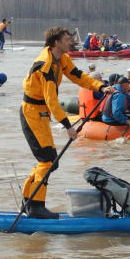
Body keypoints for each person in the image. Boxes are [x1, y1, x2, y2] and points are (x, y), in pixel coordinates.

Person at [20, 27, 111, 219]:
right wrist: (68, 127)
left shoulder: (62, 59)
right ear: (56, 43)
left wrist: (100, 87)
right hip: (32, 112)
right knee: (48, 160)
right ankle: (35, 207)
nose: (72, 42)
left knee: (47, 160)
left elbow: (79, 76)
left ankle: (29, 201)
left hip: (41, 112)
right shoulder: (45, 66)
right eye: (68, 39)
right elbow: (52, 101)